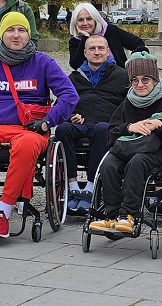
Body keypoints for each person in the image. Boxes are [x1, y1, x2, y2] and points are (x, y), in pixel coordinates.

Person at [0, 11, 78, 238]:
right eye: (10, 30)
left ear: (29, 34)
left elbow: (69, 95)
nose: (16, 35)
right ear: (2, 34)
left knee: (27, 146)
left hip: (29, 129)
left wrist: (48, 122)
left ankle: (5, 211)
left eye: (21, 30)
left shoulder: (44, 62)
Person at [88, 52, 162, 234]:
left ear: (155, 80)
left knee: (138, 161)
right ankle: (112, 215)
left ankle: (128, 215)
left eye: (145, 79)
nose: (140, 85)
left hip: (156, 154)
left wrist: (160, 125)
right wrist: (130, 127)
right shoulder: (127, 104)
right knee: (109, 164)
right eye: (135, 80)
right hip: (126, 149)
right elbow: (111, 134)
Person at [57, 34, 129, 213]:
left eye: (101, 48)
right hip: (79, 124)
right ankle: (73, 187)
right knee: (62, 129)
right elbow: (62, 103)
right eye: (92, 49)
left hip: (106, 124)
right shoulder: (73, 78)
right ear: (85, 53)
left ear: (108, 51)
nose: (97, 52)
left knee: (102, 129)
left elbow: (129, 107)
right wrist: (71, 115)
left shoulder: (122, 76)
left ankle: (90, 187)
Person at [66, 2, 149, 69]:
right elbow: (75, 65)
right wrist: (85, 38)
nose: (85, 23)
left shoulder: (111, 31)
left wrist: (131, 64)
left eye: (89, 19)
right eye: (80, 20)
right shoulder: (75, 41)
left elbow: (138, 43)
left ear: (95, 19)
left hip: (117, 79)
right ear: (75, 23)